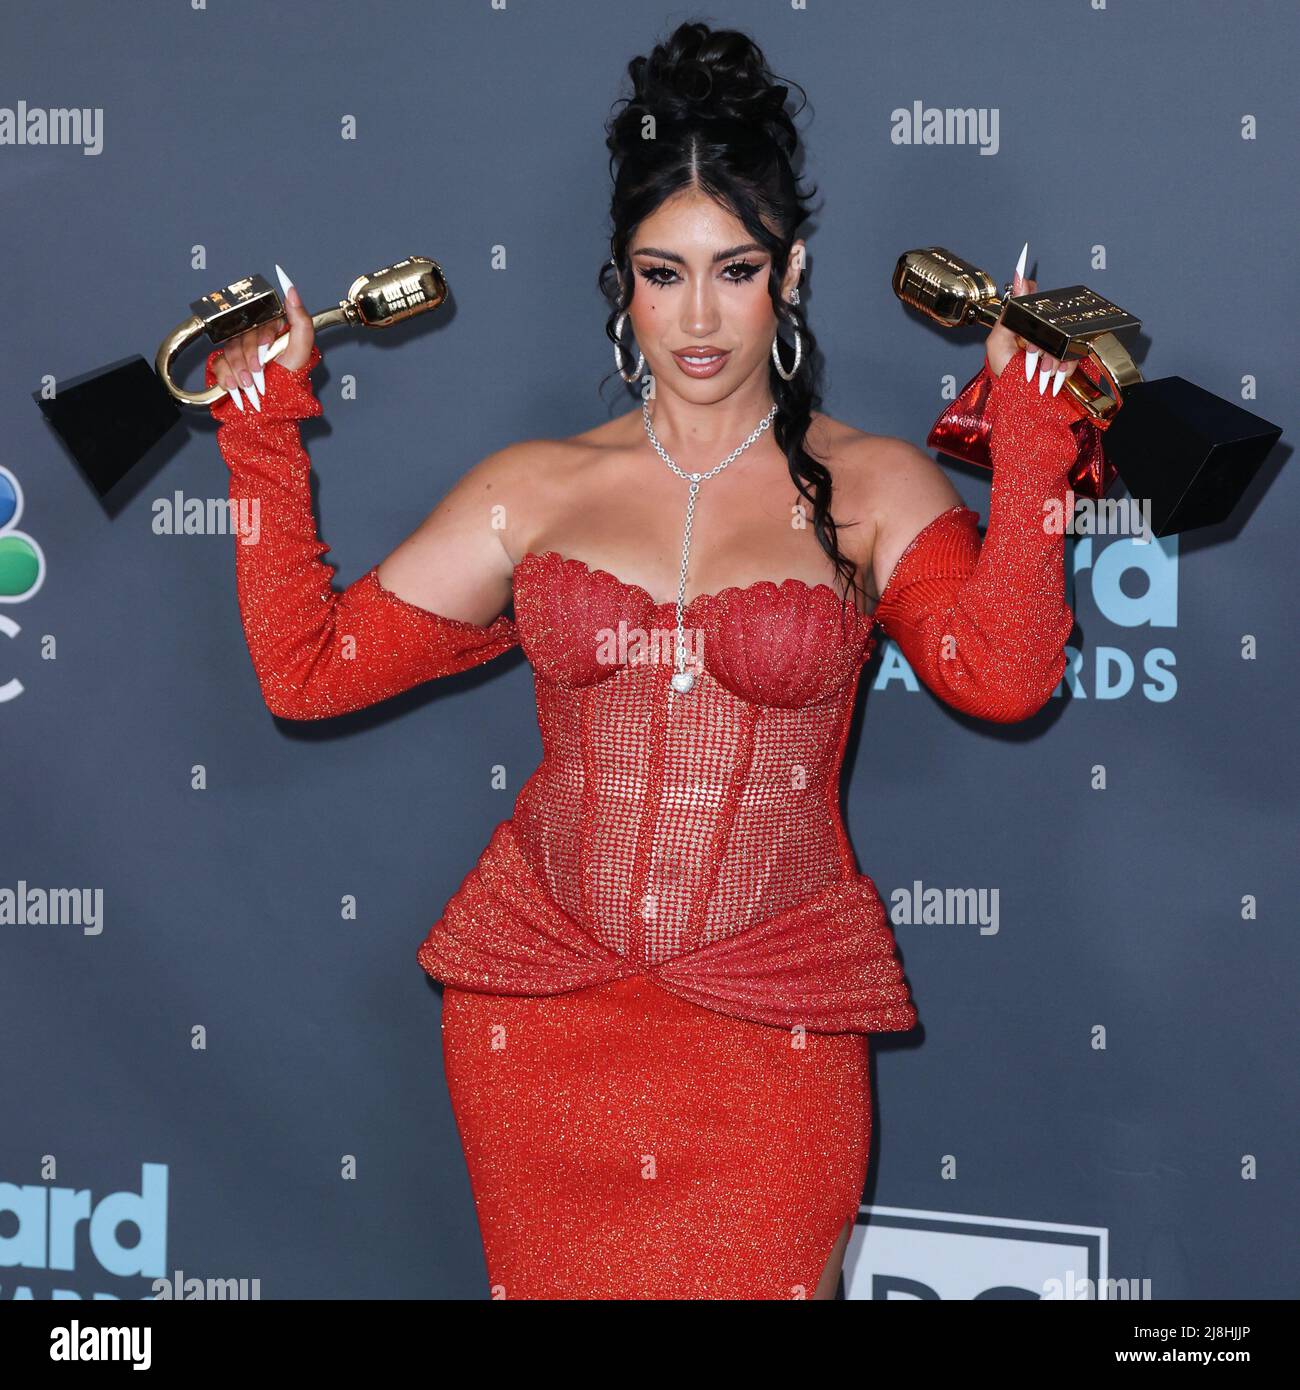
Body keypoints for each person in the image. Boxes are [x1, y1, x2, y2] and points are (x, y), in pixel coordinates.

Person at [205, 20, 1094, 1300]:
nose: (697, 315)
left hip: (769, 1041)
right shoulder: (536, 486)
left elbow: (1003, 675)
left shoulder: (874, 483)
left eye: (732, 270)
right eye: (660, 272)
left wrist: (1034, 442)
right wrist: (258, 438)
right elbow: (307, 667)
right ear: (620, 280)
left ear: (788, 274)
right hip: (538, 1023)